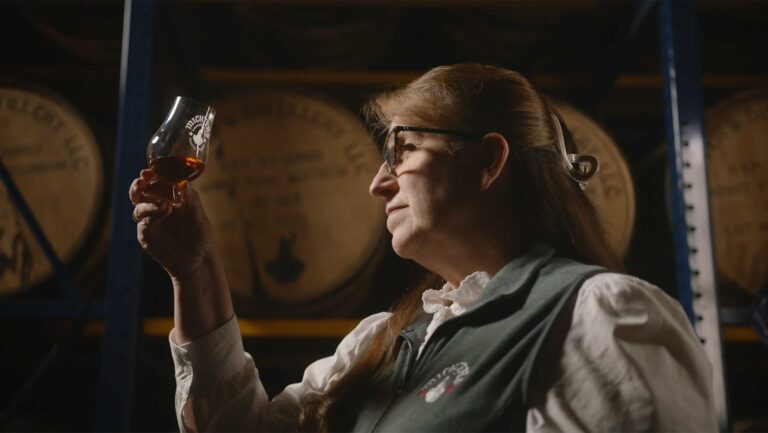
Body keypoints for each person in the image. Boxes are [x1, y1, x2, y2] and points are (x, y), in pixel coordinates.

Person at [130, 64, 717, 432]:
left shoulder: (596, 315)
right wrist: (196, 271)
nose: (378, 182)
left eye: (402, 150)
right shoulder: (381, 340)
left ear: (488, 161)